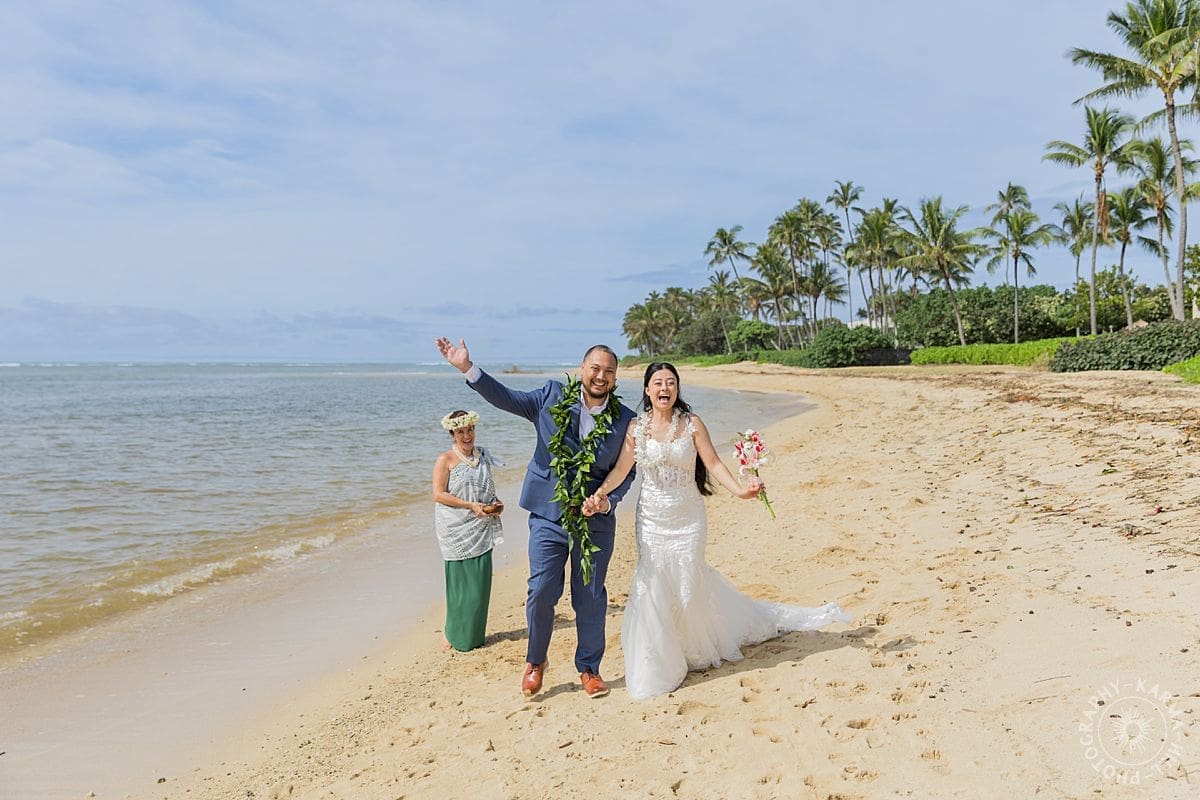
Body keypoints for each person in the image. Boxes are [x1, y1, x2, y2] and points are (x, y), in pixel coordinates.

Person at [584, 362, 852, 700]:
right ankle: (660, 663)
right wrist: (600, 494)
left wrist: (741, 490)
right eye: (657, 383)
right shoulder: (636, 429)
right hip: (651, 520)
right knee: (651, 584)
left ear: (677, 389)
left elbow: (713, 463)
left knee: (686, 585)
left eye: (671, 382)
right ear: (647, 391)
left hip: (689, 519)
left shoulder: (692, 424)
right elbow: (622, 469)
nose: (664, 388)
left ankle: (692, 648)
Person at [435, 337, 637, 699]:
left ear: (615, 377)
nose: (601, 376)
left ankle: (589, 668)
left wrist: (609, 502)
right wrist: (468, 367)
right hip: (548, 513)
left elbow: (628, 471)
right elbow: (506, 398)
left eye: (609, 371)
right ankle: (535, 662)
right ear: (582, 369)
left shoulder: (625, 420)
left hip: (596, 519)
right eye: (595, 368)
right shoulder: (551, 397)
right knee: (542, 589)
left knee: (590, 595)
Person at [431, 409, 504, 652]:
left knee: (479, 584)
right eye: (460, 431)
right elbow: (438, 494)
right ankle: (451, 634)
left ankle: (473, 635)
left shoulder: (482, 456)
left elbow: (486, 489)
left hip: (481, 525)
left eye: (470, 429)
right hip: (455, 528)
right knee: (459, 584)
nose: (467, 435)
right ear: (452, 434)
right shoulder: (445, 460)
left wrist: (495, 505)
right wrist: (470, 506)